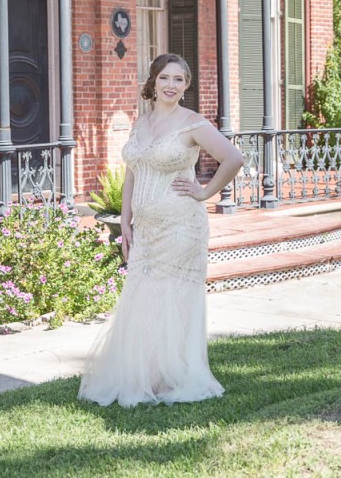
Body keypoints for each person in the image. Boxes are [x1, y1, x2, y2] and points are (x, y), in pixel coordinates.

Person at [78, 52, 245, 407]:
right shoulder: (141, 123)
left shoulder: (193, 123)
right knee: (142, 295)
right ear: (153, 81)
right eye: (165, 78)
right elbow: (133, 174)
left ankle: (173, 376)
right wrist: (125, 219)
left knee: (171, 298)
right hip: (147, 229)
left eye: (179, 80)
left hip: (182, 226)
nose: (172, 85)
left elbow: (234, 158)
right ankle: (146, 375)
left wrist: (203, 192)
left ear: (185, 87)